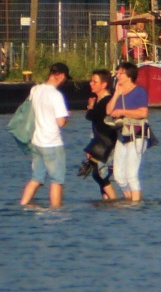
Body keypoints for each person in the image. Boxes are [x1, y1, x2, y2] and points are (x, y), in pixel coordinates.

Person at [18, 63, 71, 208]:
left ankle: (23, 205)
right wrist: (67, 117)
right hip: (52, 143)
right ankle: (55, 210)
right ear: (60, 76)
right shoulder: (56, 95)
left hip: (37, 141)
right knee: (57, 180)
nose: (63, 82)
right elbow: (60, 122)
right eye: (64, 79)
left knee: (36, 178)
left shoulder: (35, 89)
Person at [104, 62, 150, 202]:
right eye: (117, 73)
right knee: (118, 176)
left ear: (129, 76)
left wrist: (123, 112)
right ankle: (129, 198)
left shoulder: (139, 91)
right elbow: (108, 111)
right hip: (121, 135)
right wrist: (117, 94)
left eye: (120, 73)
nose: (117, 76)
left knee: (131, 174)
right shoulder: (117, 91)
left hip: (136, 135)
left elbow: (143, 112)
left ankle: (135, 205)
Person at [77, 69, 119, 200]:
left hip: (107, 143)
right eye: (91, 81)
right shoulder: (97, 101)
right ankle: (105, 200)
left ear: (104, 84)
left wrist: (90, 108)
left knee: (100, 175)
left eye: (95, 82)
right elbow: (92, 118)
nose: (91, 84)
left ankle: (113, 201)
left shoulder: (107, 101)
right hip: (98, 140)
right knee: (98, 174)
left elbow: (96, 117)